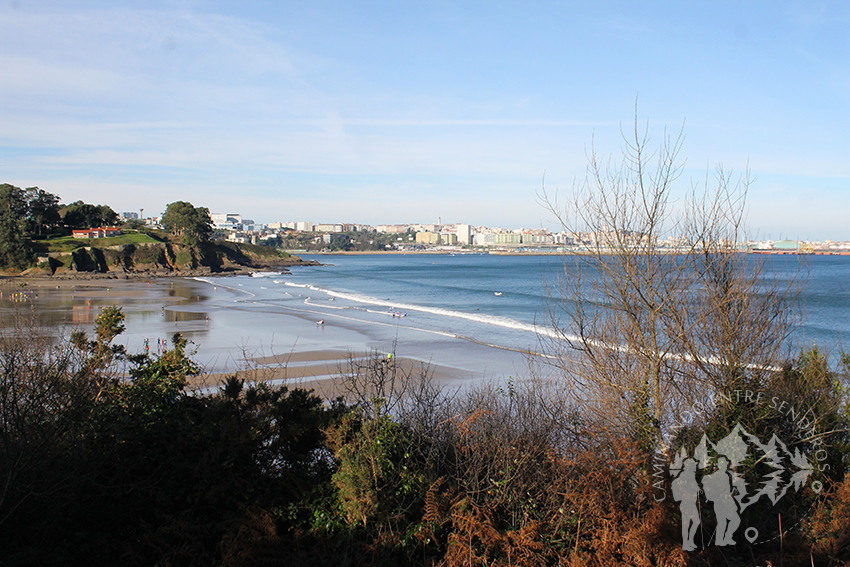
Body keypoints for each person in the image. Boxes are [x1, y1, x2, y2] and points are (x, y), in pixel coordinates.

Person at [671, 458, 701, 551]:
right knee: (686, 524)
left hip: (692, 503)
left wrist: (698, 490)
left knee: (696, 521)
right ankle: (685, 543)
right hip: (686, 503)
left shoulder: (691, 477)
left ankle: (690, 541)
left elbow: (695, 487)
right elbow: (678, 488)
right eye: (692, 466)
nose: (694, 468)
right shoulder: (683, 477)